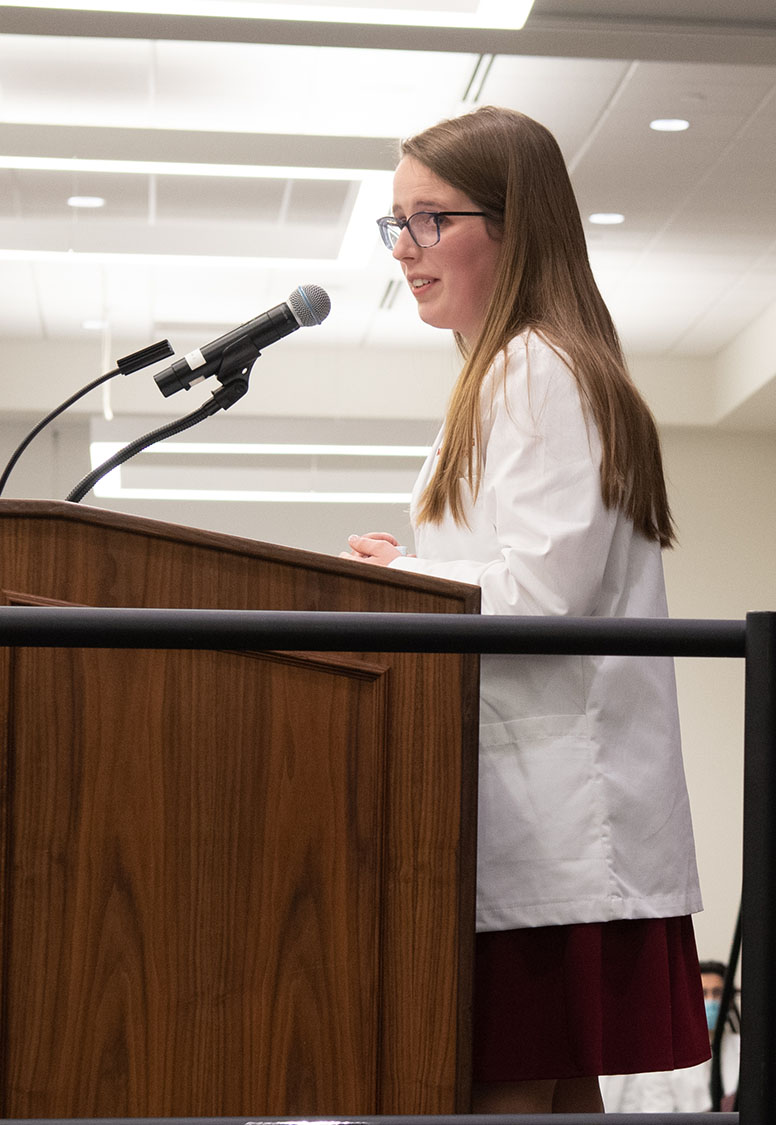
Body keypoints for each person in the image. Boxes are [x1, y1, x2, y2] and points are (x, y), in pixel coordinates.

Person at [339, 105, 709, 1115]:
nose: (404, 253)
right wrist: (406, 573)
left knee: (507, 1087)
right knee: (554, 1089)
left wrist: (402, 586)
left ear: (512, 226)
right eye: (394, 226)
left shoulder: (536, 367)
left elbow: (548, 596)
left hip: (553, 810)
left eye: (429, 223)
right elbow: (515, 566)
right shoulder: (507, 371)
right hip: (536, 802)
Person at [598, 959, 740, 1112]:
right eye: (702, 993)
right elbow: (656, 1113)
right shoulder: (665, 1057)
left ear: (729, 1001)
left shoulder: (747, 1050)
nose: (710, 1001)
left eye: (717, 993)